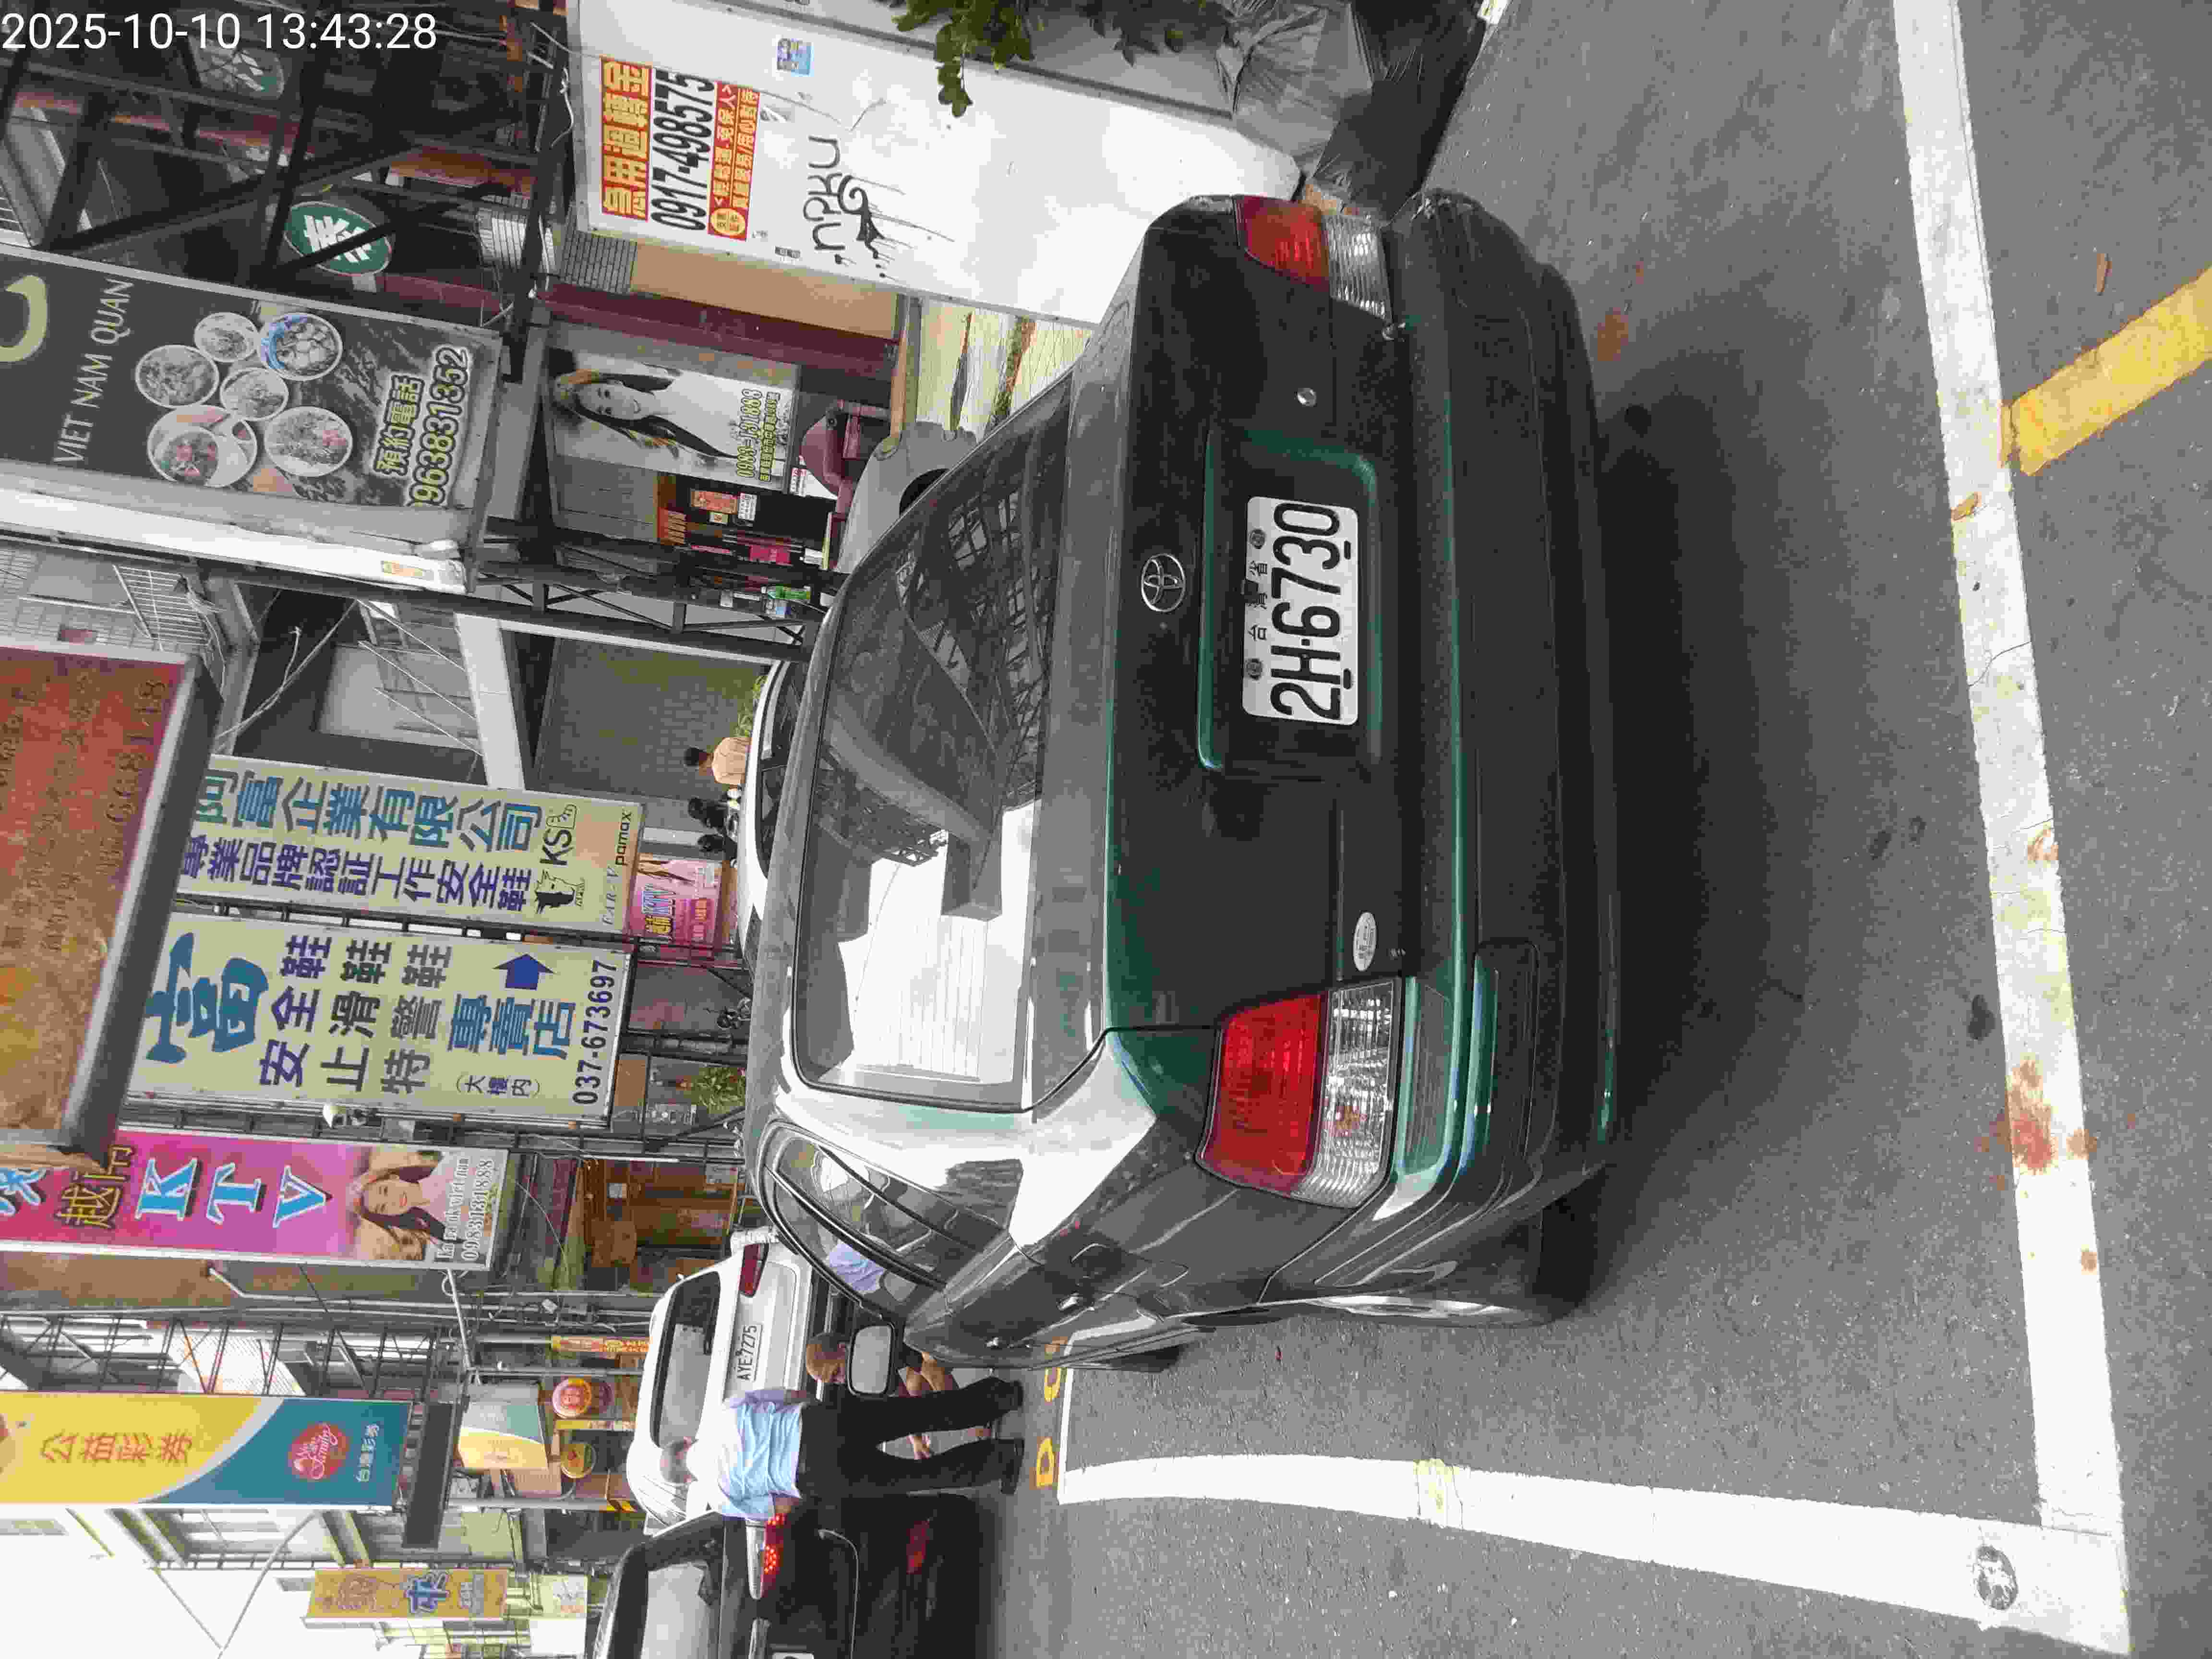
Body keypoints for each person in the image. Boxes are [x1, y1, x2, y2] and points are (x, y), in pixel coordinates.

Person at [661, 1376, 1024, 1517]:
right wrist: (816, 1412)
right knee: (918, 1413)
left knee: (919, 1476)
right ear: (687, 1443)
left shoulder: (720, 1498)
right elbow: (789, 1395)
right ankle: (1002, 1396)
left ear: (688, 1480)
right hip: (819, 1423)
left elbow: (781, 1506)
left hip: (818, 1475)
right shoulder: (724, 1412)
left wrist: (810, 1488)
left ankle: (1003, 1458)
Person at [685, 733, 750, 789]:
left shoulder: (720, 776)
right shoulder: (726, 742)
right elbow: (750, 740)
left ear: (699, 766)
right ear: (702, 750)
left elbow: (745, 780)